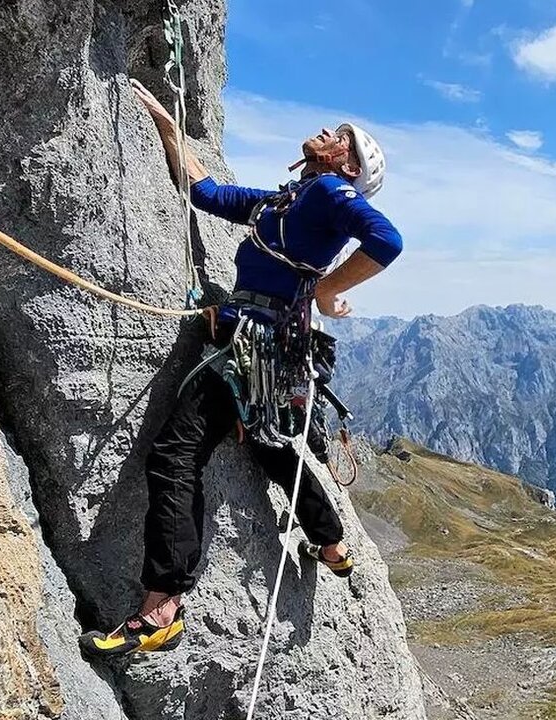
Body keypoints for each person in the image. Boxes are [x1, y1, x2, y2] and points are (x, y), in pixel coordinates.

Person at [79, 79, 403, 658]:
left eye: (341, 136)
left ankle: (160, 610)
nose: (328, 132)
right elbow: (206, 192)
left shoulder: (329, 192)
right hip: (266, 345)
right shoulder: (285, 201)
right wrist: (168, 124)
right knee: (269, 448)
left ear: (347, 164)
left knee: (175, 456)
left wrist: (327, 292)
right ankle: (331, 546)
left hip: (254, 346)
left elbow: (387, 239)